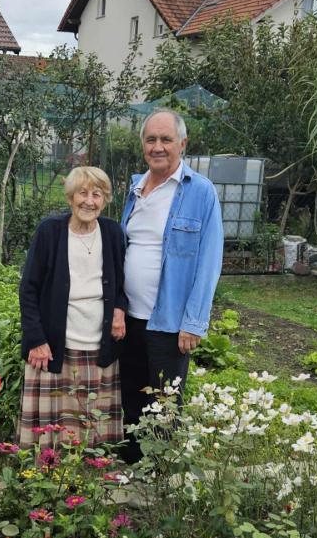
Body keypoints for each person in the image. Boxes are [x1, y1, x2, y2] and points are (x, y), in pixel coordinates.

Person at [118, 109, 224, 455]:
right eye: (151, 139)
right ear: (143, 145)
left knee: (164, 405)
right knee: (131, 397)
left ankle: (160, 472)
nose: (158, 147)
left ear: (182, 144)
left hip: (169, 322)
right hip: (129, 318)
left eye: (166, 139)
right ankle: (131, 467)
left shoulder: (200, 192)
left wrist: (193, 322)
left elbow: (209, 262)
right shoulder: (136, 188)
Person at [19, 166, 126, 447]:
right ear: (70, 198)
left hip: (98, 344)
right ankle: (50, 468)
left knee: (93, 424)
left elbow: (122, 283)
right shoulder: (50, 232)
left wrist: (120, 308)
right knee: (52, 429)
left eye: (97, 194)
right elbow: (28, 289)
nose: (89, 201)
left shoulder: (113, 233)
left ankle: (90, 468)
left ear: (105, 200)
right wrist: (36, 339)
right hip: (54, 346)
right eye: (82, 193)